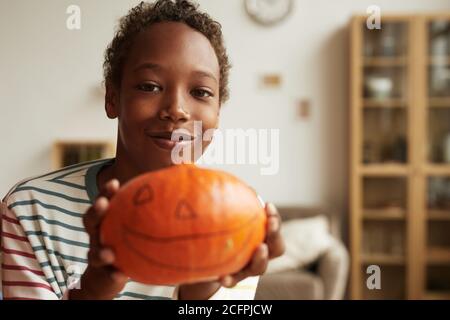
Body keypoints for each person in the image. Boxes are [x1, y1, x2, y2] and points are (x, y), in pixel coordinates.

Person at [1, 0, 285, 300]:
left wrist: (199, 293)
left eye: (201, 92)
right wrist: (93, 291)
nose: (176, 110)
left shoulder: (240, 215)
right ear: (113, 98)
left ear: (218, 112)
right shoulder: (30, 210)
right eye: (150, 86)